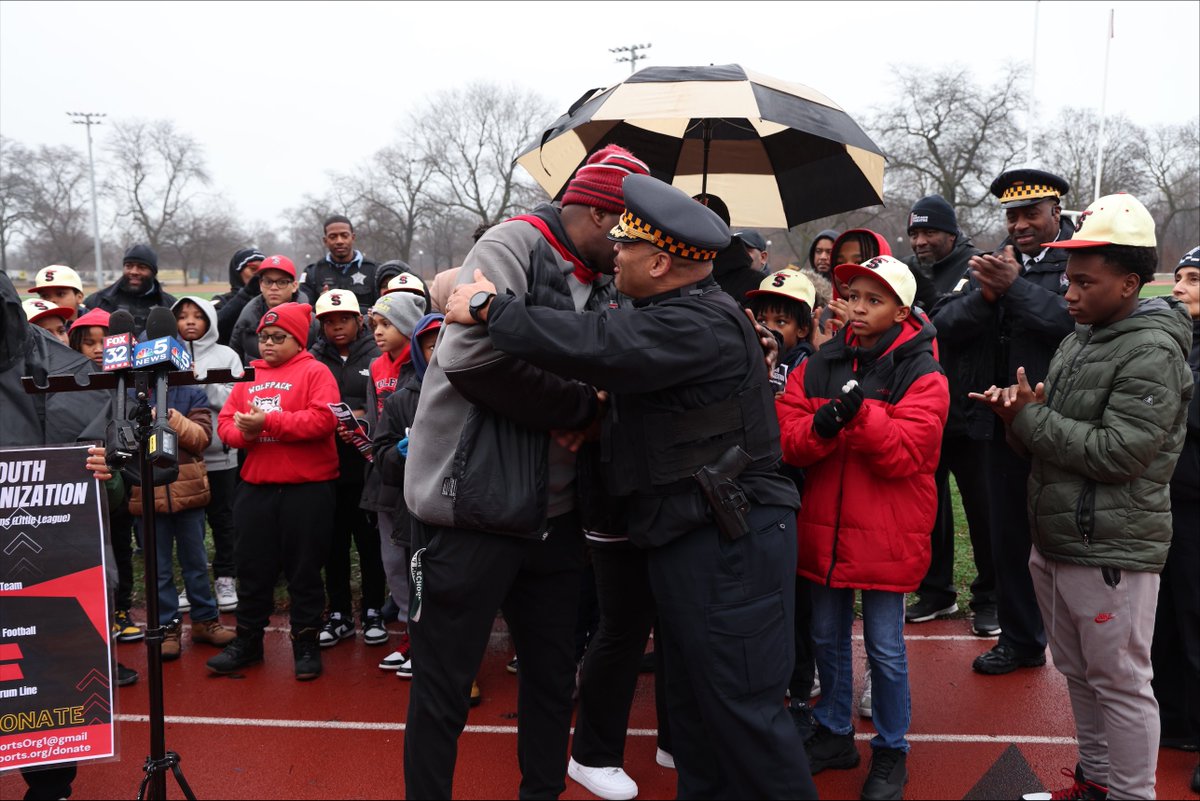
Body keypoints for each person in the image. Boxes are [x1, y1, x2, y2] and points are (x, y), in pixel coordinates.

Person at [443, 173, 817, 799]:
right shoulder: (677, 314)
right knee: (697, 714)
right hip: (690, 537)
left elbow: (599, 343)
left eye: (626, 245)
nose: (613, 252)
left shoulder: (697, 324)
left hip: (729, 546)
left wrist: (489, 308)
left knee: (745, 718)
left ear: (662, 261)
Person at [401, 144, 652, 799]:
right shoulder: (512, 243)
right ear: (599, 215)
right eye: (629, 231)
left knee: (550, 680)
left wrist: (593, 405)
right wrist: (576, 404)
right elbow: (470, 360)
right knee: (444, 688)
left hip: (557, 512)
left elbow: (613, 375)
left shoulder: (605, 281)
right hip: (472, 508)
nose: (631, 248)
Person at [969, 194, 1191, 801]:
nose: (1067, 292)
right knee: (1080, 674)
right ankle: (1095, 783)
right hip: (1062, 537)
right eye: (1067, 278)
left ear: (1128, 284)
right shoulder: (1081, 338)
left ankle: (1128, 794)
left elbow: (1121, 453)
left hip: (1110, 547)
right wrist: (1017, 417)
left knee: (1118, 682)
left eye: (1083, 281)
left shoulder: (1151, 350)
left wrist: (1032, 422)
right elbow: (1052, 441)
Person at [776, 255, 948, 801]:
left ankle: (892, 749)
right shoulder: (820, 362)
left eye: (874, 300)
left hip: (886, 535)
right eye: (853, 296)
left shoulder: (924, 373)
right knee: (825, 637)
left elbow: (908, 456)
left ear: (901, 310)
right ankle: (833, 733)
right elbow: (787, 434)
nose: (858, 308)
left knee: (885, 648)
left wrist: (862, 415)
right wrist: (824, 426)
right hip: (826, 533)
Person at [930, 168, 1075, 676]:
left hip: (1063, 424)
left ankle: (1084, 646)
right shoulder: (990, 264)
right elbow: (942, 324)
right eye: (1011, 215)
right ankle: (1020, 640)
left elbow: (1067, 321)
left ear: (1056, 211)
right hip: (998, 425)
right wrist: (988, 294)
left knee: (1066, 539)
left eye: (1030, 213)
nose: (1019, 225)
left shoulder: (1079, 259)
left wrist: (1012, 289)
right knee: (1007, 536)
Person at [208, 302, 340, 681]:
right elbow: (226, 423)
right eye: (263, 337)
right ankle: (248, 642)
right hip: (257, 488)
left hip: (307, 489)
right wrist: (244, 433)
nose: (267, 344)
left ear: (298, 340)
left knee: (304, 571)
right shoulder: (250, 375)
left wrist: (270, 421)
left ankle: (306, 642)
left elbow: (324, 419)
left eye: (277, 337)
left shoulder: (316, 371)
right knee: (252, 568)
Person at [901, 195, 997, 636]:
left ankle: (991, 598)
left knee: (983, 511)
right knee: (929, 509)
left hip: (973, 410)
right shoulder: (908, 272)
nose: (921, 241)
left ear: (951, 234)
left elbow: (955, 324)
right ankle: (936, 592)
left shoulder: (976, 267)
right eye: (915, 233)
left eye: (929, 233)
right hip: (928, 413)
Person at [125, 364, 234, 660]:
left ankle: (205, 621)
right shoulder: (129, 396)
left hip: (189, 497)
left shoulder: (192, 393)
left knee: (196, 564)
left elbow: (201, 438)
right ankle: (167, 627)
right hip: (146, 495)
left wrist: (168, 416)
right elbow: (123, 443)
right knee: (157, 570)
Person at [308, 289, 386, 649]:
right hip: (326, 468)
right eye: (328, 322)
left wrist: (362, 418)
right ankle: (338, 612)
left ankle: (372, 609)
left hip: (367, 469)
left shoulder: (378, 353)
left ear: (359, 320)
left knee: (369, 544)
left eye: (343, 319)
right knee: (332, 544)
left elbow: (389, 403)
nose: (336, 327)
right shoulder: (313, 358)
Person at [369, 312, 445, 681]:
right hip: (413, 504)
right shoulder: (402, 399)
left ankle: (446, 650)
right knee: (413, 575)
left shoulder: (476, 389)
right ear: (419, 350)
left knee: (449, 580)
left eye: (447, 342)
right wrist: (398, 452)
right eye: (432, 346)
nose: (440, 351)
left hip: (458, 505)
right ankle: (416, 641)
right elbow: (380, 452)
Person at [1152, 245, 1200, 793]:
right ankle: (1177, 718)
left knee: (1195, 619)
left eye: (1192, 279)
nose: (1179, 288)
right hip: (1166, 501)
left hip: (1194, 505)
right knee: (1164, 619)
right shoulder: (1174, 342)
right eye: (1179, 277)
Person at [174, 295, 244, 613]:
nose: (189, 321)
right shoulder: (167, 355)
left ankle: (226, 577)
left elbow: (235, 398)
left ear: (210, 321)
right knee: (191, 526)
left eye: (197, 316)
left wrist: (201, 383)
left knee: (223, 519)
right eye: (183, 316)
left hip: (220, 455)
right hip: (184, 459)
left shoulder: (226, 355)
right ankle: (195, 583)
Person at [230, 255, 316, 365]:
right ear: (260, 285)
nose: (273, 287)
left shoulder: (312, 322)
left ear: (294, 286)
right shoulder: (246, 319)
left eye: (282, 282)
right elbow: (235, 361)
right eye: (268, 282)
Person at [83, 244, 177, 333]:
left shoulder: (171, 305)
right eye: (129, 266)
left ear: (153, 272)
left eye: (142, 267)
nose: (134, 271)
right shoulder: (97, 302)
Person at [301, 215, 379, 312]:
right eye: (333, 237)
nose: (339, 241)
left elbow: (383, 308)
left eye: (344, 236)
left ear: (353, 237)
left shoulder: (375, 270)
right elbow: (304, 312)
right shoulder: (312, 272)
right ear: (325, 241)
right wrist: (320, 305)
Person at [212, 247, 265, 344]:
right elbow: (213, 326)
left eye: (262, 271)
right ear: (237, 272)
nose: (258, 275)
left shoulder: (270, 299)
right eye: (253, 269)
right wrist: (246, 294)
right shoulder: (221, 300)